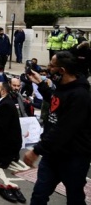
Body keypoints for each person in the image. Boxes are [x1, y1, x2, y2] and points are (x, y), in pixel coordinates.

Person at [23, 51, 91, 204]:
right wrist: (40, 84)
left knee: (75, 198)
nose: (48, 69)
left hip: (74, 157)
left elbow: (64, 129)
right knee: (39, 195)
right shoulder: (62, 86)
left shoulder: (80, 95)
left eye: (51, 66)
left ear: (62, 70)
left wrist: (36, 150)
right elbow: (56, 101)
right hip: (52, 156)